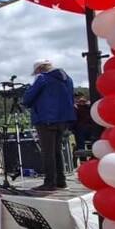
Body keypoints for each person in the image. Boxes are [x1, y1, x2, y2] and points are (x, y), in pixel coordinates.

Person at [22, 59, 75, 191]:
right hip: (63, 119)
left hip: (46, 119)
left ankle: (49, 182)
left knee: (47, 152)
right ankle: (61, 181)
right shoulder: (67, 79)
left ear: (40, 69)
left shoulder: (42, 78)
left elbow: (28, 98)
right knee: (57, 151)